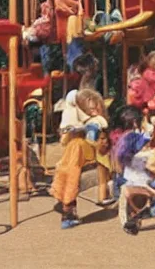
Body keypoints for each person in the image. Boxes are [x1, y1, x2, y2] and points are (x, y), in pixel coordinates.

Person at [51, 88, 109, 228]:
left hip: (73, 154)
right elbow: (91, 140)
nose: (94, 112)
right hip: (77, 154)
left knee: (68, 178)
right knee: (71, 180)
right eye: (91, 109)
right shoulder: (89, 125)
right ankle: (67, 212)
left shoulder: (88, 123)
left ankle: (66, 207)